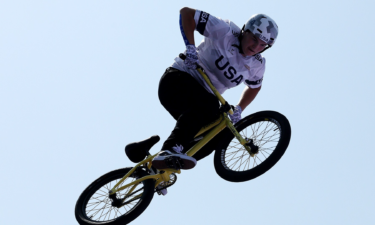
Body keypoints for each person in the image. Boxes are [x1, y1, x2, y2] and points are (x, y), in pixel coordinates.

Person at [152, 7, 279, 171]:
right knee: (209, 103)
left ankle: (162, 168)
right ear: (245, 31)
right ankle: (170, 148)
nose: (256, 47)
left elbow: (254, 87)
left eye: (263, 45)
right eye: (254, 39)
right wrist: (190, 48)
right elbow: (186, 13)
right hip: (176, 82)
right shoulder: (225, 31)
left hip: (199, 104)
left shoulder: (257, 65)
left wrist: (240, 108)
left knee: (220, 132)